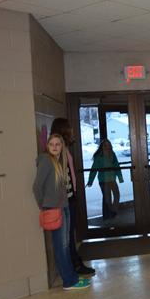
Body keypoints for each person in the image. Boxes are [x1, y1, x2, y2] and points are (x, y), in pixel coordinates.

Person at [33, 134, 91, 290]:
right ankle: (69, 281)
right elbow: (37, 187)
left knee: (65, 245)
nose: (54, 146)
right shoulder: (46, 160)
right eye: (51, 144)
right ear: (47, 146)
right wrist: (44, 206)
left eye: (57, 144)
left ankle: (72, 276)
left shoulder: (60, 161)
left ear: (62, 146)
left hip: (64, 206)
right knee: (61, 246)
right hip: (54, 208)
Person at [50, 118, 95, 277]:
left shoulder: (65, 149)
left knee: (69, 235)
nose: (73, 131)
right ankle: (73, 268)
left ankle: (75, 263)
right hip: (64, 201)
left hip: (70, 198)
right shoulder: (58, 151)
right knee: (66, 238)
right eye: (70, 129)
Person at [87, 140, 124, 219]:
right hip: (103, 180)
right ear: (102, 146)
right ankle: (109, 214)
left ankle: (113, 211)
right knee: (107, 198)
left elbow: (116, 166)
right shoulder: (99, 156)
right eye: (105, 145)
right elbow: (94, 169)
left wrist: (120, 177)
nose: (107, 147)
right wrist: (90, 181)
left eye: (108, 145)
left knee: (117, 195)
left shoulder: (112, 154)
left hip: (112, 179)